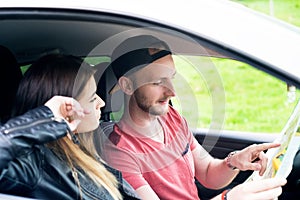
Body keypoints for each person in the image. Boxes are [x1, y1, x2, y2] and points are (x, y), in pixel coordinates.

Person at [99, 35, 287, 200]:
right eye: (157, 82)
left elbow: (206, 172)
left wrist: (234, 162)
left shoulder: (171, 118)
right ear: (128, 86)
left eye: (171, 78)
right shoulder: (119, 152)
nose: (172, 92)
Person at [1, 54, 140, 200]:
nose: (102, 103)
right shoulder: (35, 163)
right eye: (92, 98)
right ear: (66, 107)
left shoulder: (81, 150)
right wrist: (48, 116)